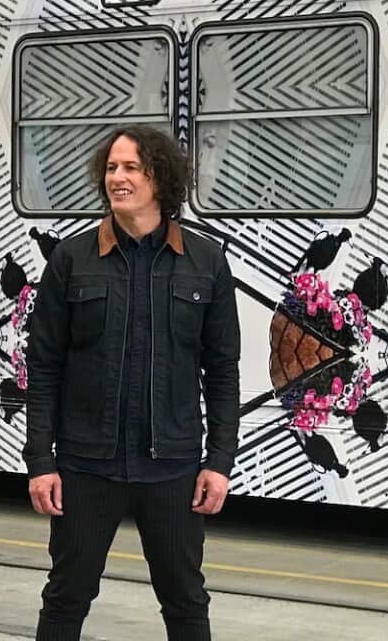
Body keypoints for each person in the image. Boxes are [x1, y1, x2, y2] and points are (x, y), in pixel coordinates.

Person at [23, 125, 240, 641]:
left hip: (173, 468)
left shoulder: (205, 262)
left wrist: (220, 460)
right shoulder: (71, 260)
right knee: (66, 596)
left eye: (131, 168)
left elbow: (223, 367)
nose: (116, 178)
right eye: (111, 168)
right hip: (85, 465)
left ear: (160, 178)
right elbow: (44, 366)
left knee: (186, 600)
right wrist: (40, 463)